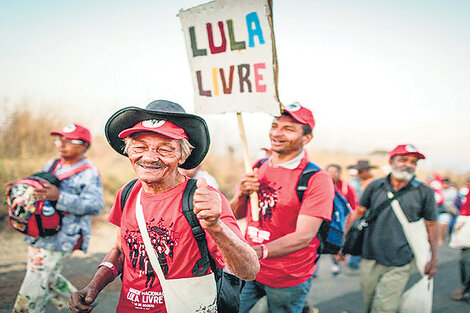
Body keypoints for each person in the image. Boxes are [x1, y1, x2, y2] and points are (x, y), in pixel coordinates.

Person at [69, 100, 259, 313]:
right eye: (140, 147)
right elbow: (122, 250)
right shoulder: (127, 193)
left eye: (165, 149)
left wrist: (216, 227)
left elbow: (249, 270)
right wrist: (94, 286)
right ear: (128, 151)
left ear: (183, 155)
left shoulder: (203, 199)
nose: (149, 157)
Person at [230, 102, 335, 313]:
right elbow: (235, 215)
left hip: (288, 276)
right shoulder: (258, 166)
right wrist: (241, 193)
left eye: (288, 129)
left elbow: (304, 236)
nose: (277, 133)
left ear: (306, 138)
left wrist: (256, 251)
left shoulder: (316, 179)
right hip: (250, 270)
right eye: (275, 126)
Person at [10, 123, 104, 313]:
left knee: (35, 281)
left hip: (62, 237)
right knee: (47, 276)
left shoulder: (89, 173)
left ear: (84, 145)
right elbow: (39, 189)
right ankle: (81, 306)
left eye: (69, 141)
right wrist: (21, 190)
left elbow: (94, 205)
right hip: (39, 231)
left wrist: (60, 197)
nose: (62, 145)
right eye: (60, 140)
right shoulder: (53, 164)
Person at [345, 144, 438, 313]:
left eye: (413, 162)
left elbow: (431, 224)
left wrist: (433, 259)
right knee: (370, 301)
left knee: (384, 308)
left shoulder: (424, 192)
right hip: (370, 256)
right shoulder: (375, 186)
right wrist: (342, 242)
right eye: (403, 159)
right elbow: (358, 213)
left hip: (400, 260)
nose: (408, 164)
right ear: (391, 161)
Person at [325, 164, 358, 276]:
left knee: (336, 242)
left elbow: (353, 205)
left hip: (341, 220)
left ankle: (337, 261)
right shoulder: (321, 185)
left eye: (335, 172)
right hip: (325, 219)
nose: (332, 174)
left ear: (340, 173)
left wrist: (349, 222)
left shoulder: (346, 187)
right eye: (329, 172)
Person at [346, 159, 377, 273]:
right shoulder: (354, 182)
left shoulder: (375, 183)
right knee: (355, 235)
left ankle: (356, 262)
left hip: (369, 215)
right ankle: (354, 261)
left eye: (362, 171)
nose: (360, 174)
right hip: (356, 213)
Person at [451, 178, 470, 303]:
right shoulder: (464, 192)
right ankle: (465, 288)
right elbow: (458, 205)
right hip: (466, 227)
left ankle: (465, 288)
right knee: (465, 260)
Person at [438, 177, 459, 246]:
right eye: (444, 183)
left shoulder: (453, 191)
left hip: (447, 211)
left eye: (446, 184)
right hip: (438, 209)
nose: (445, 185)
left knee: (443, 224)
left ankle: (441, 239)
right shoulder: (440, 190)